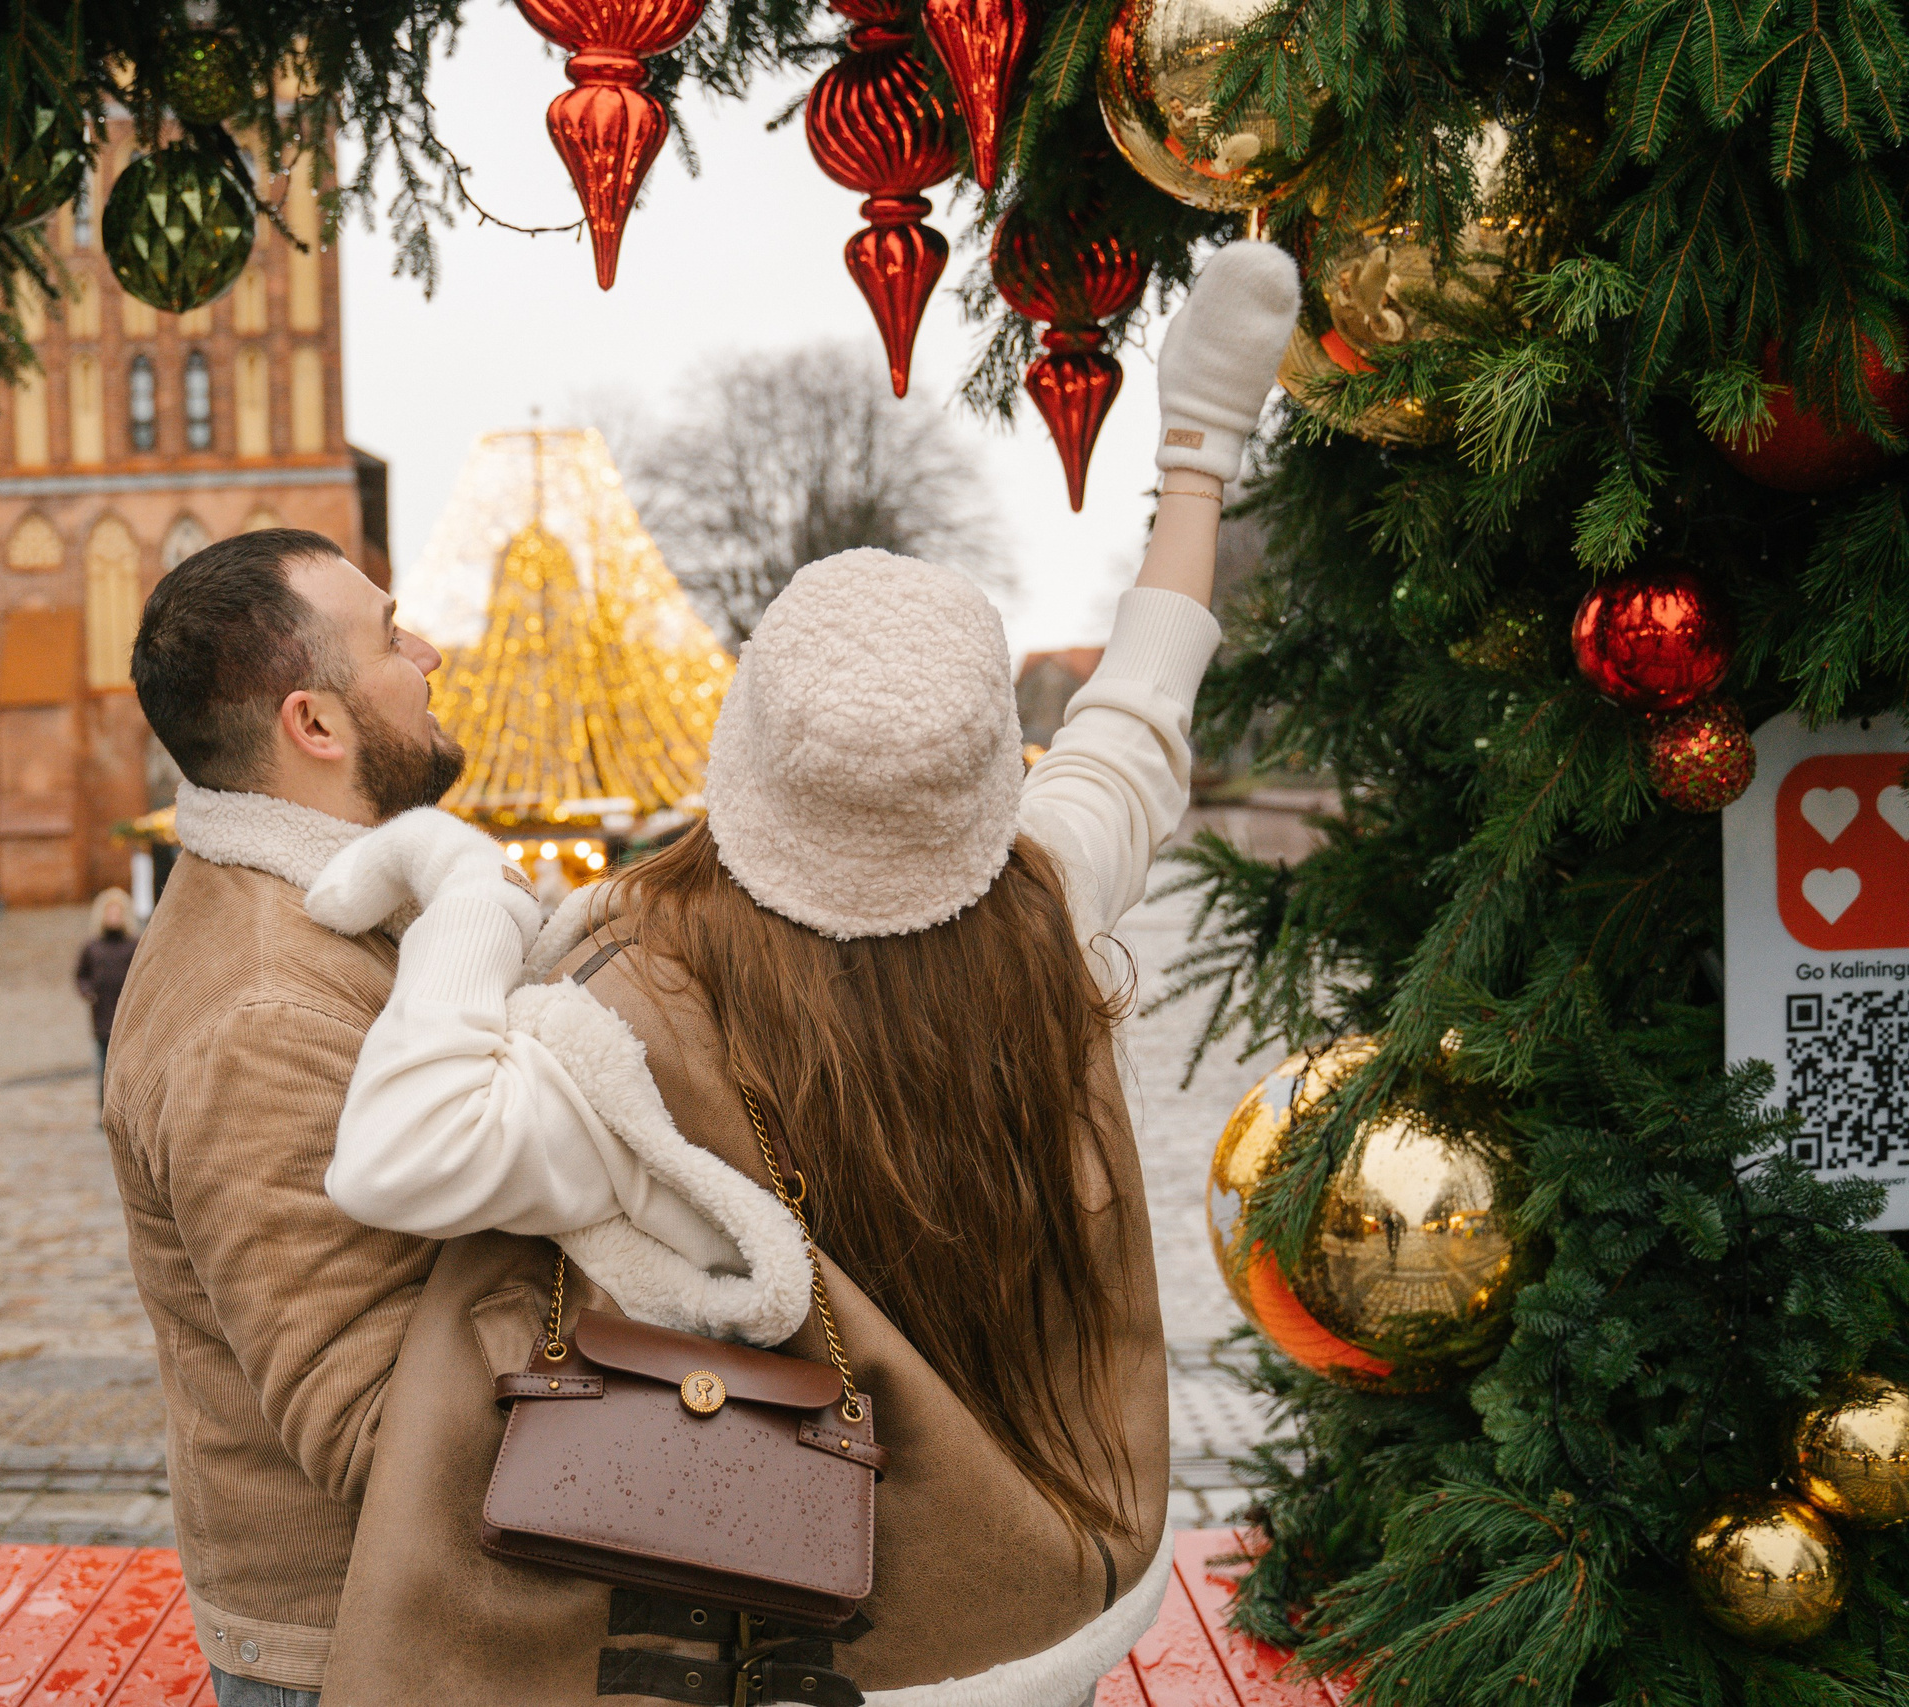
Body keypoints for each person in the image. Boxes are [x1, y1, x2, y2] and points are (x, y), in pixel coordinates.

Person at [300, 243, 1300, 1704]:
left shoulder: (638, 998)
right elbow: (1141, 717)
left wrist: (456, 882)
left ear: (750, 752)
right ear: (975, 782)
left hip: (775, 1615)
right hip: (1027, 1616)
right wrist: (1198, 457)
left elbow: (397, 1154)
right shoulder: (1042, 901)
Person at [100, 528, 501, 1707]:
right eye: (389, 636)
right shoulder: (263, 1010)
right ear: (314, 725)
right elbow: (378, 1427)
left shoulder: (330, 916)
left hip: (417, 1620)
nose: (426, 652)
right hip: (368, 1651)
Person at [75, 887, 139, 1095]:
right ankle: (104, 1109)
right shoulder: (92, 947)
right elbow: (81, 975)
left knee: (129, 1069)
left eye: (117, 912)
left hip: (128, 1018)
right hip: (102, 1015)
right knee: (103, 1068)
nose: (113, 917)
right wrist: (88, 991)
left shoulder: (133, 946)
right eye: (109, 912)